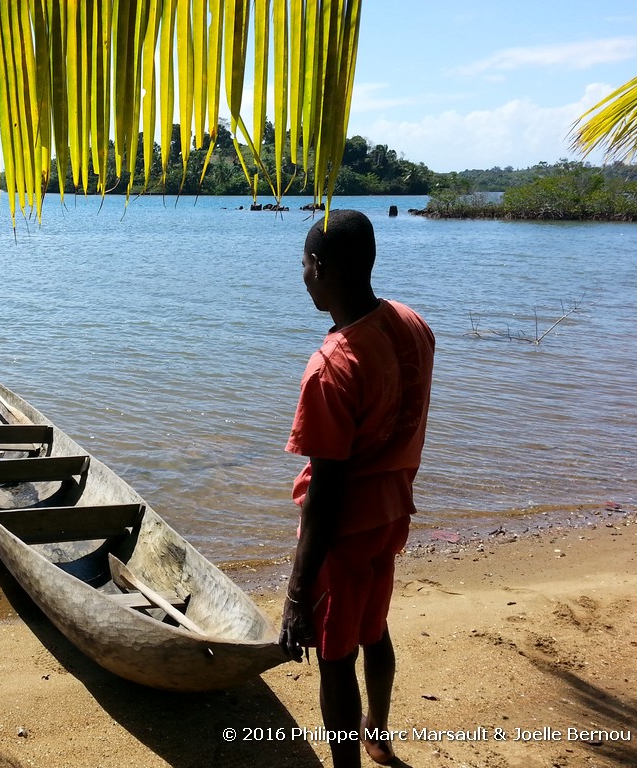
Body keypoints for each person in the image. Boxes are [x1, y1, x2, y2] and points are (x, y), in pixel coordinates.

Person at [279, 210, 435, 768]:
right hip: (393, 514)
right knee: (373, 628)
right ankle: (378, 732)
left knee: (334, 655)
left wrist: (297, 596)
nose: (301, 275)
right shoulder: (411, 322)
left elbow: (326, 489)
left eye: (302, 265)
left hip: (344, 531)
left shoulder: (331, 366)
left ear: (318, 267)